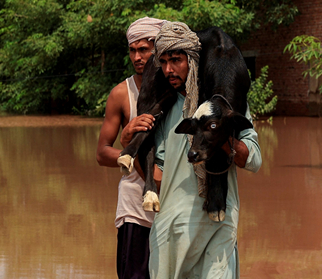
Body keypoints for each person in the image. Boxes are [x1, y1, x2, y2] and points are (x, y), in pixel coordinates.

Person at [148, 21, 262, 279]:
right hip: (172, 230)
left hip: (217, 226)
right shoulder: (163, 107)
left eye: (176, 60)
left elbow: (254, 160)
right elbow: (156, 169)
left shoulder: (226, 104)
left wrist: (218, 133)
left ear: (193, 60)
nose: (168, 69)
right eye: (163, 62)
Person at [96, 16, 167, 279]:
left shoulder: (175, 90)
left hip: (171, 201)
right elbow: (102, 152)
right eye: (133, 50)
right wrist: (127, 145)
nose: (137, 57)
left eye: (144, 50)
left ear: (157, 50)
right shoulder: (120, 94)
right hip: (134, 207)